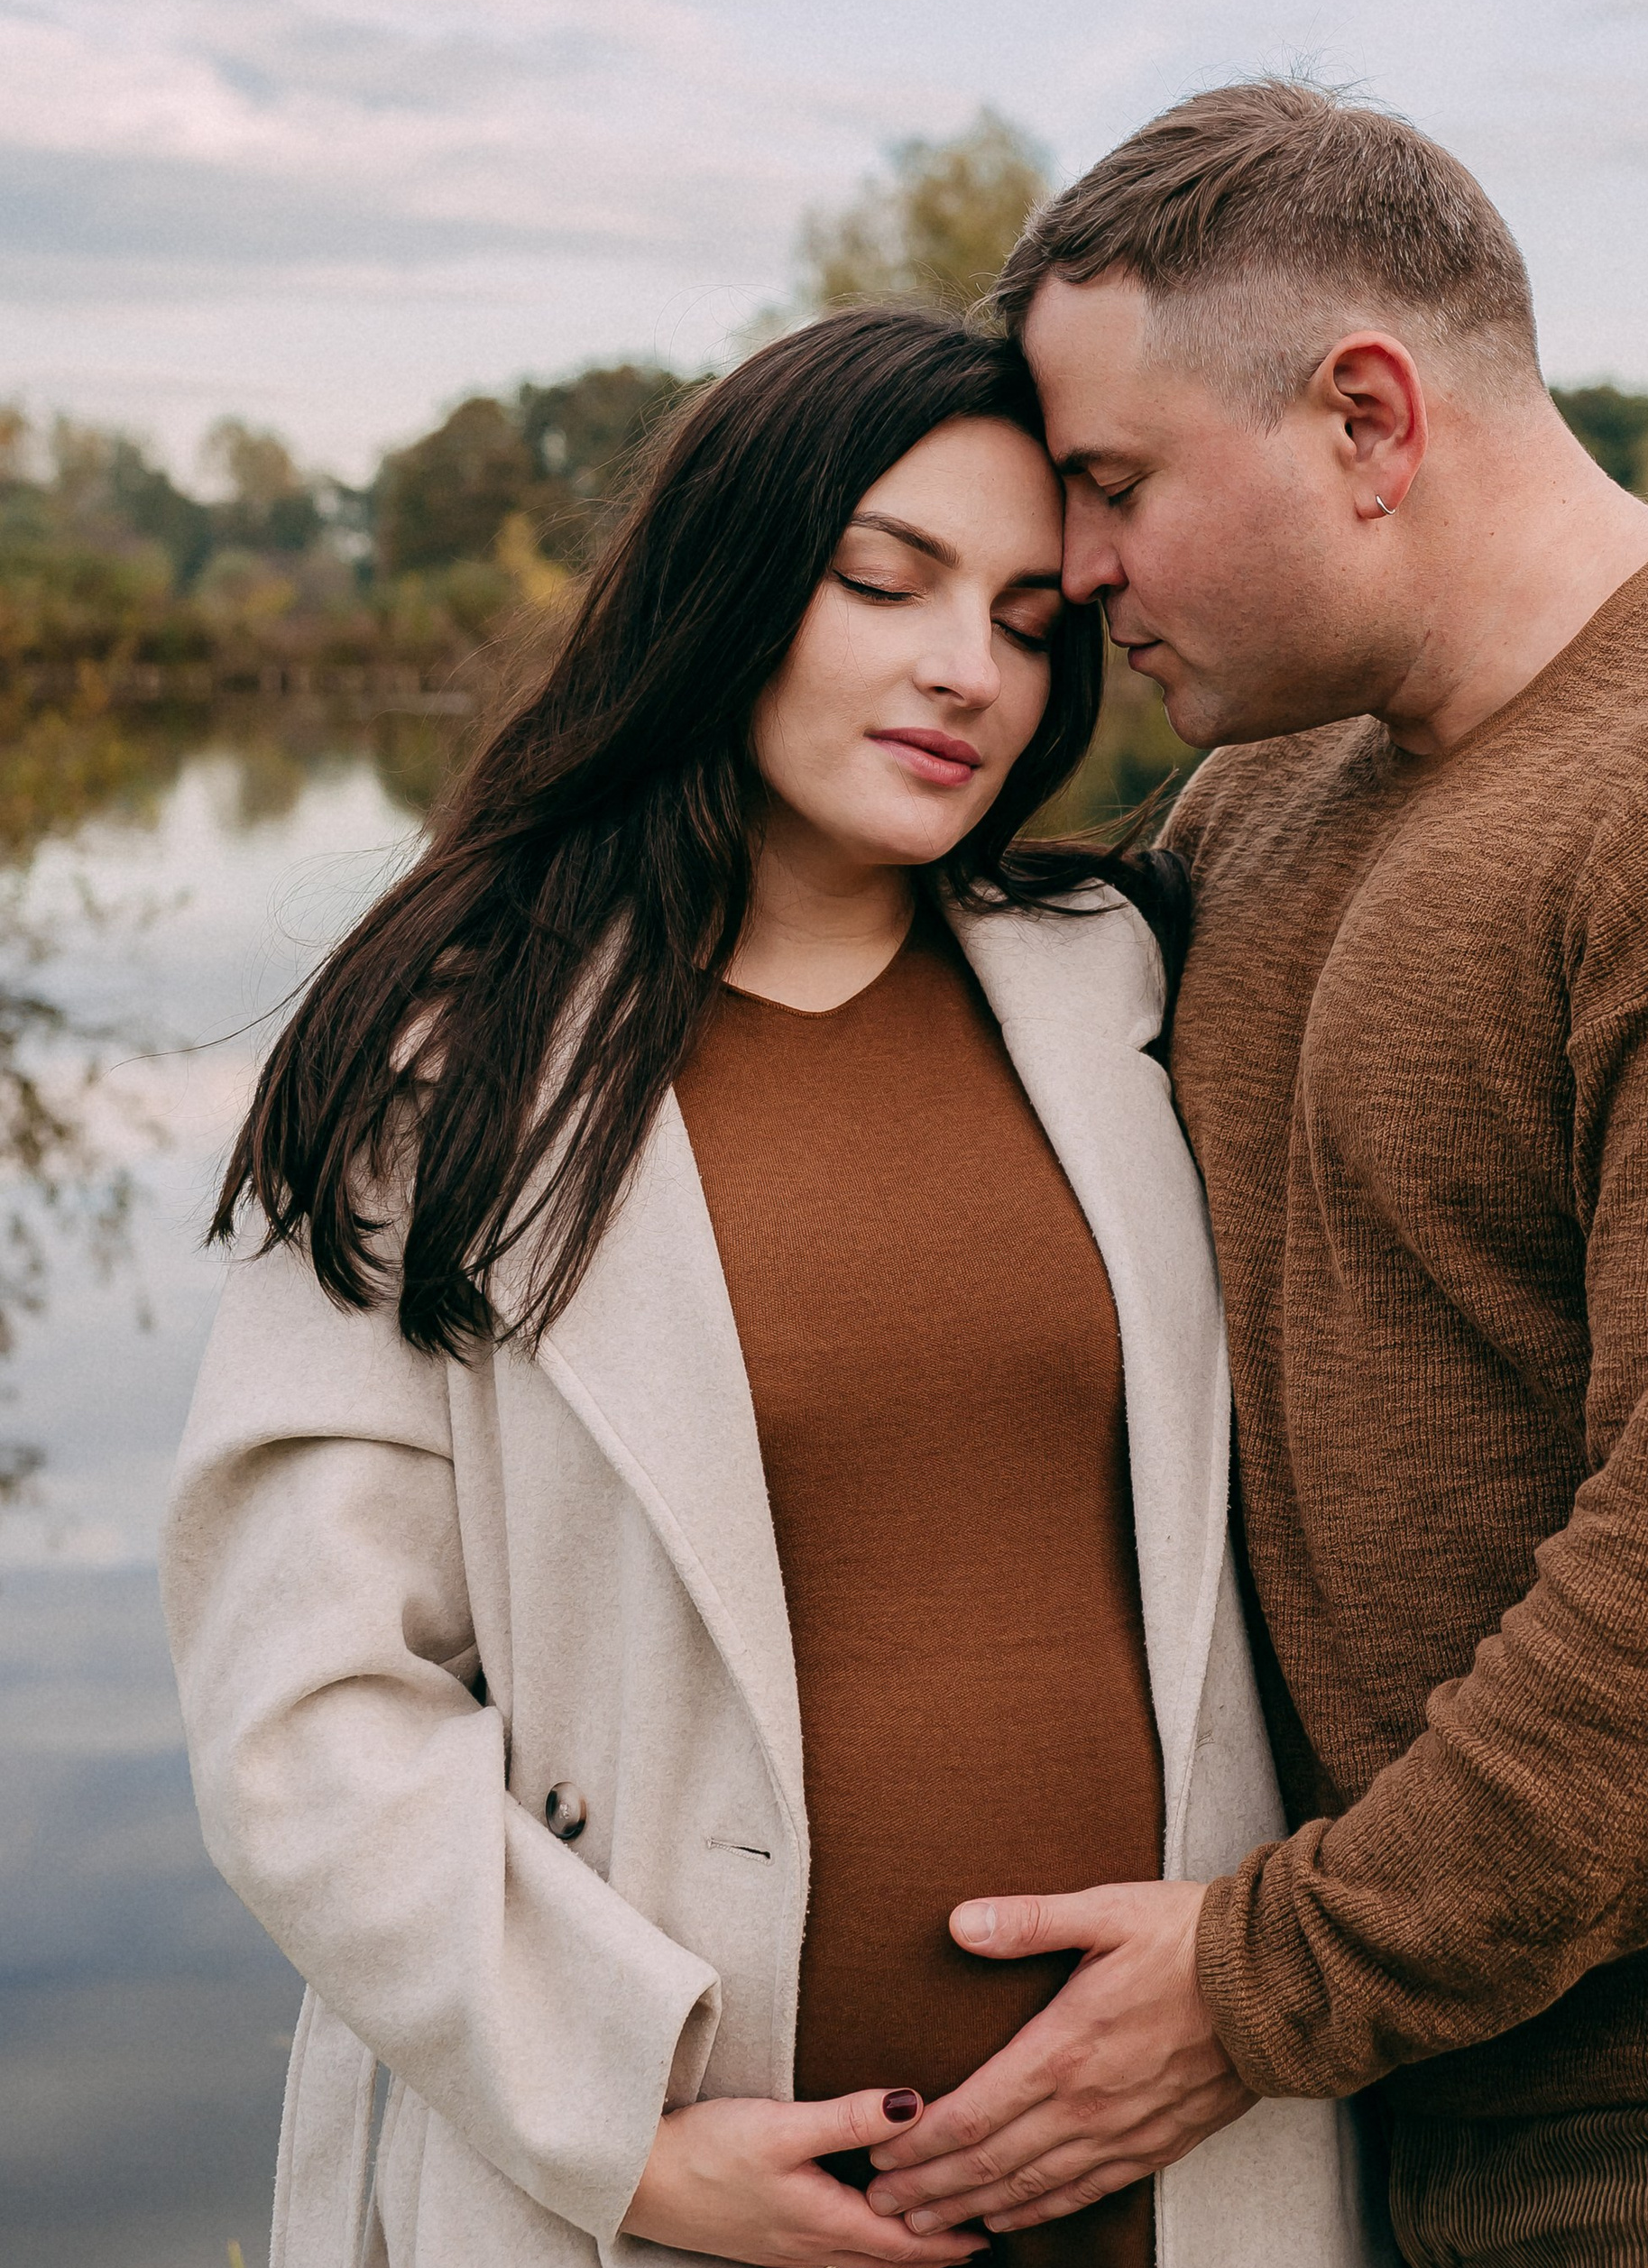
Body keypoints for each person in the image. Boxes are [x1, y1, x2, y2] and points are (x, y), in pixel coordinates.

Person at [861, 84, 1648, 2267]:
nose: (1073, 573)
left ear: (1365, 415)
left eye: (1110, 486)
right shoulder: (1270, 782)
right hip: (1460, 2016)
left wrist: (1261, 1981)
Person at [161, 306, 1371, 2268]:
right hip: (652, 2202)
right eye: (881, 582)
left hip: (1169, 2169)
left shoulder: (1133, 981)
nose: (960, 669)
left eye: (1025, 615)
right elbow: (303, 1708)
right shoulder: (446, 1063)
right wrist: (623, 2135)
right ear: (728, 588)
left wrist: (1265, 1976)